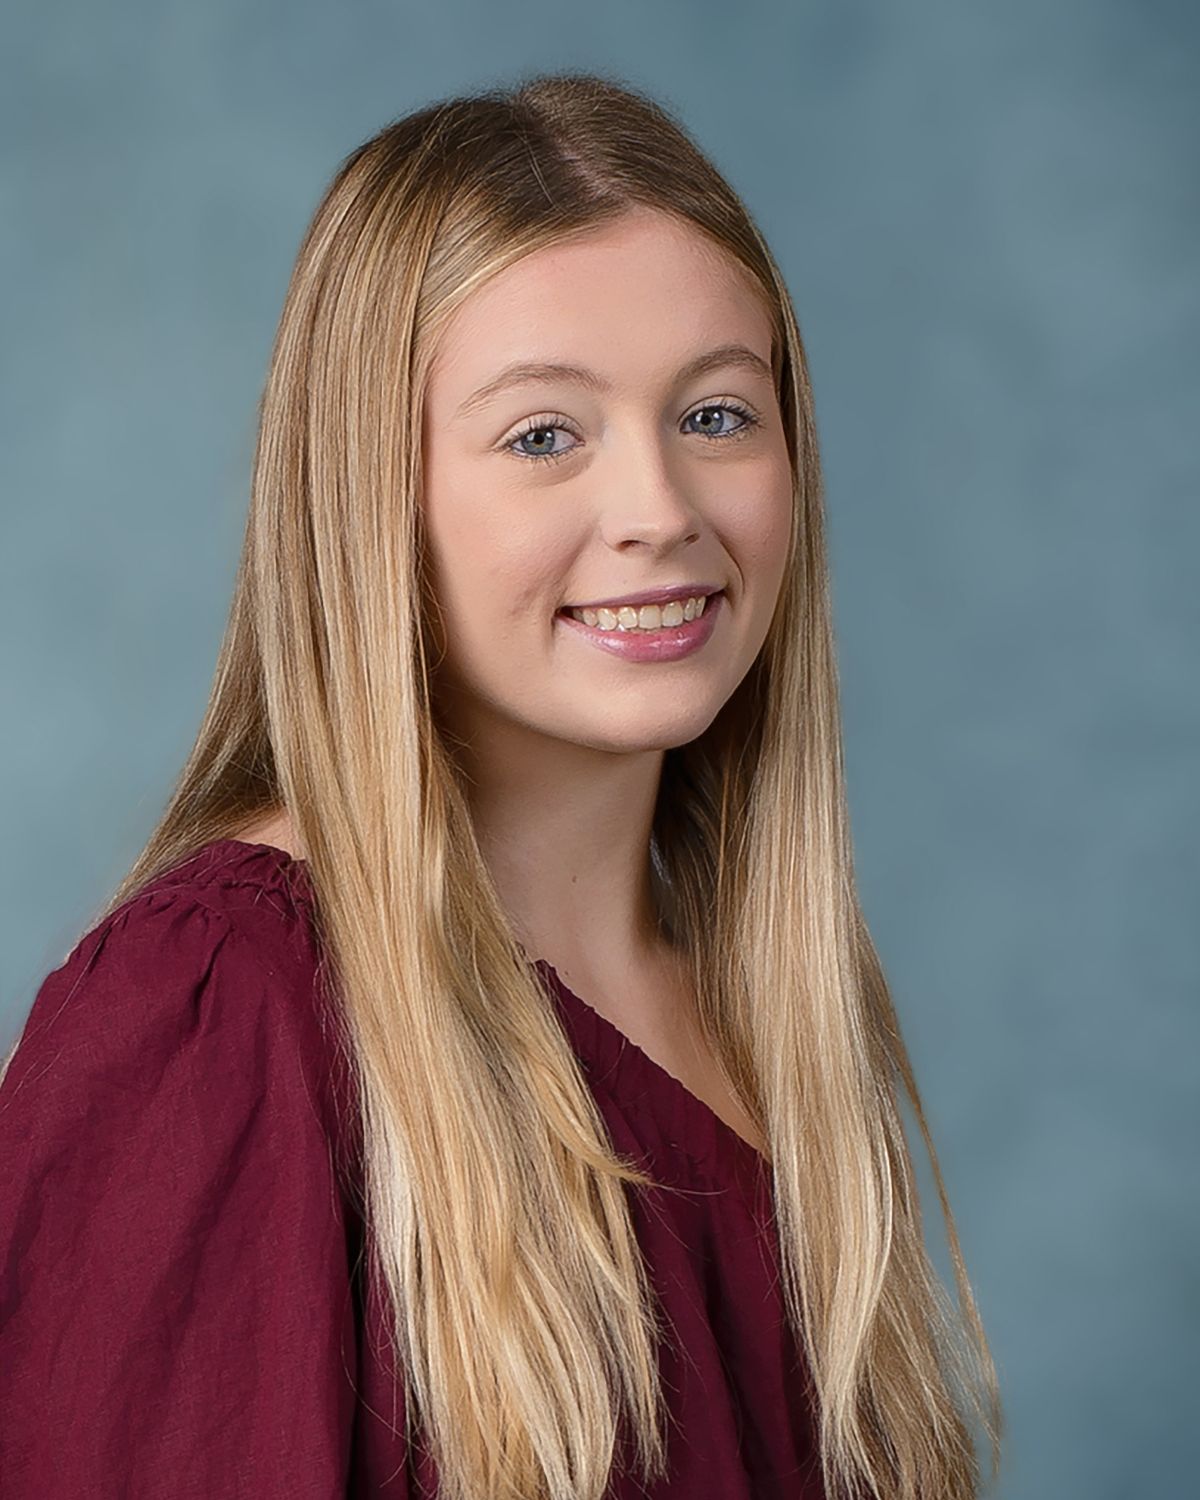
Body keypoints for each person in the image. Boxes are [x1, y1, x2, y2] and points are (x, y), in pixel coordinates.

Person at [0, 71, 1003, 1500]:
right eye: (545, 435)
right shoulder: (217, 1017)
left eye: (718, 415)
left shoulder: (770, 1011)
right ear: (373, 500)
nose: (661, 510)